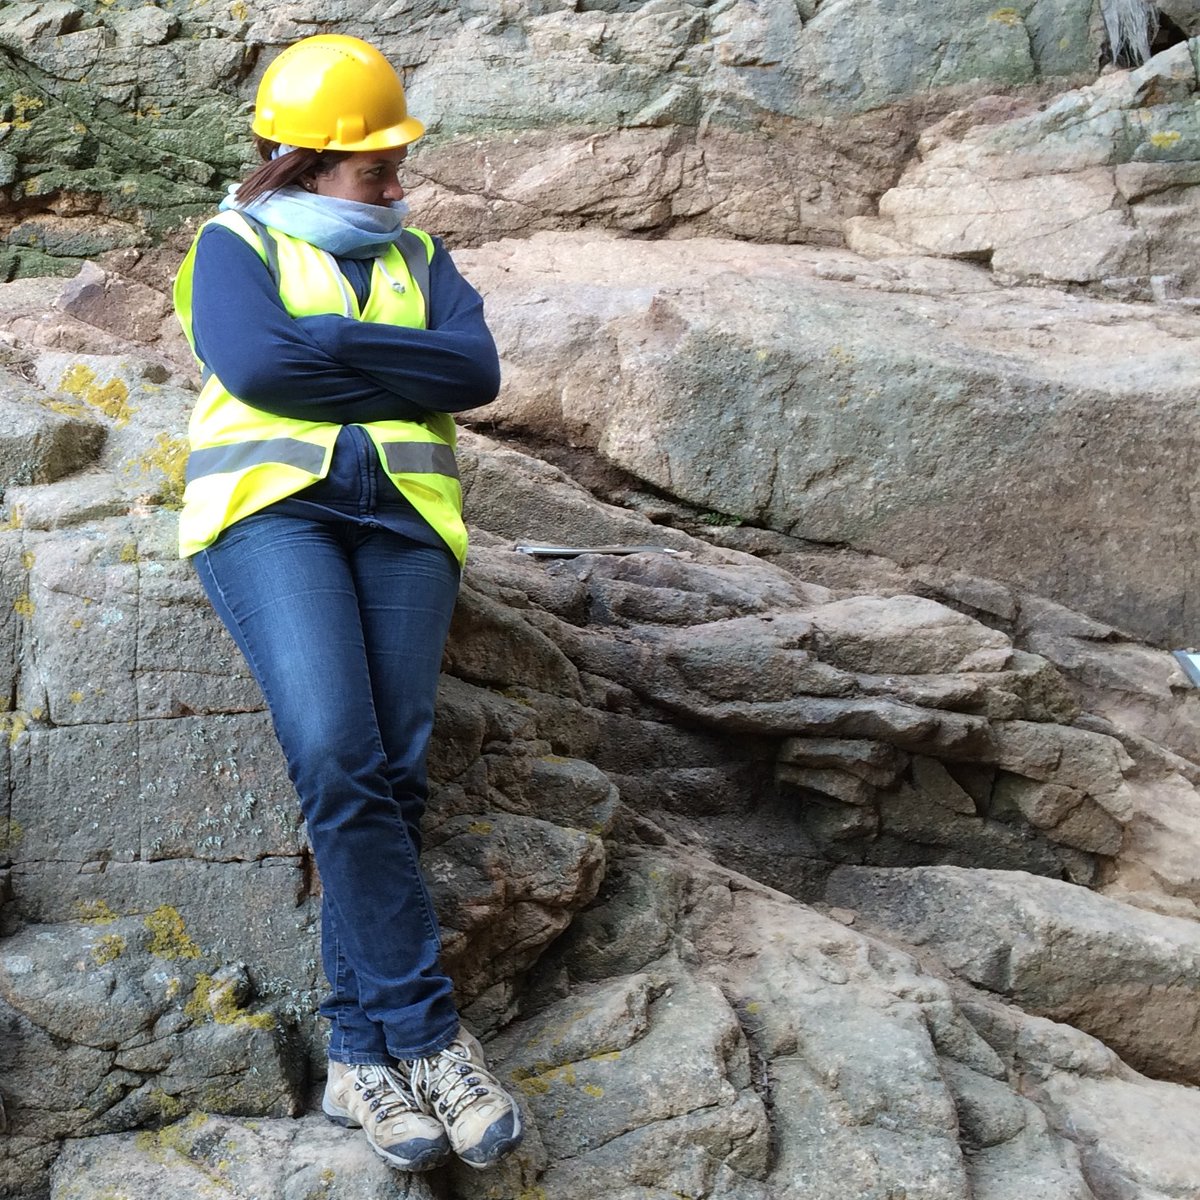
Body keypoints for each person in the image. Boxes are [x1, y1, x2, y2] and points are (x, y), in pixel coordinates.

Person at [171, 34, 523, 1173]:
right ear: (308, 160)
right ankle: (427, 1033)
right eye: (375, 164)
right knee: (335, 748)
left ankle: (360, 1058)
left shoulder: (422, 253)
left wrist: (329, 340)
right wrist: (390, 364)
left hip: (407, 523)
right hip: (274, 511)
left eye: (395, 160)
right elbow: (261, 370)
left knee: (393, 774)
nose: (395, 179)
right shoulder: (231, 244)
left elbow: (475, 373)